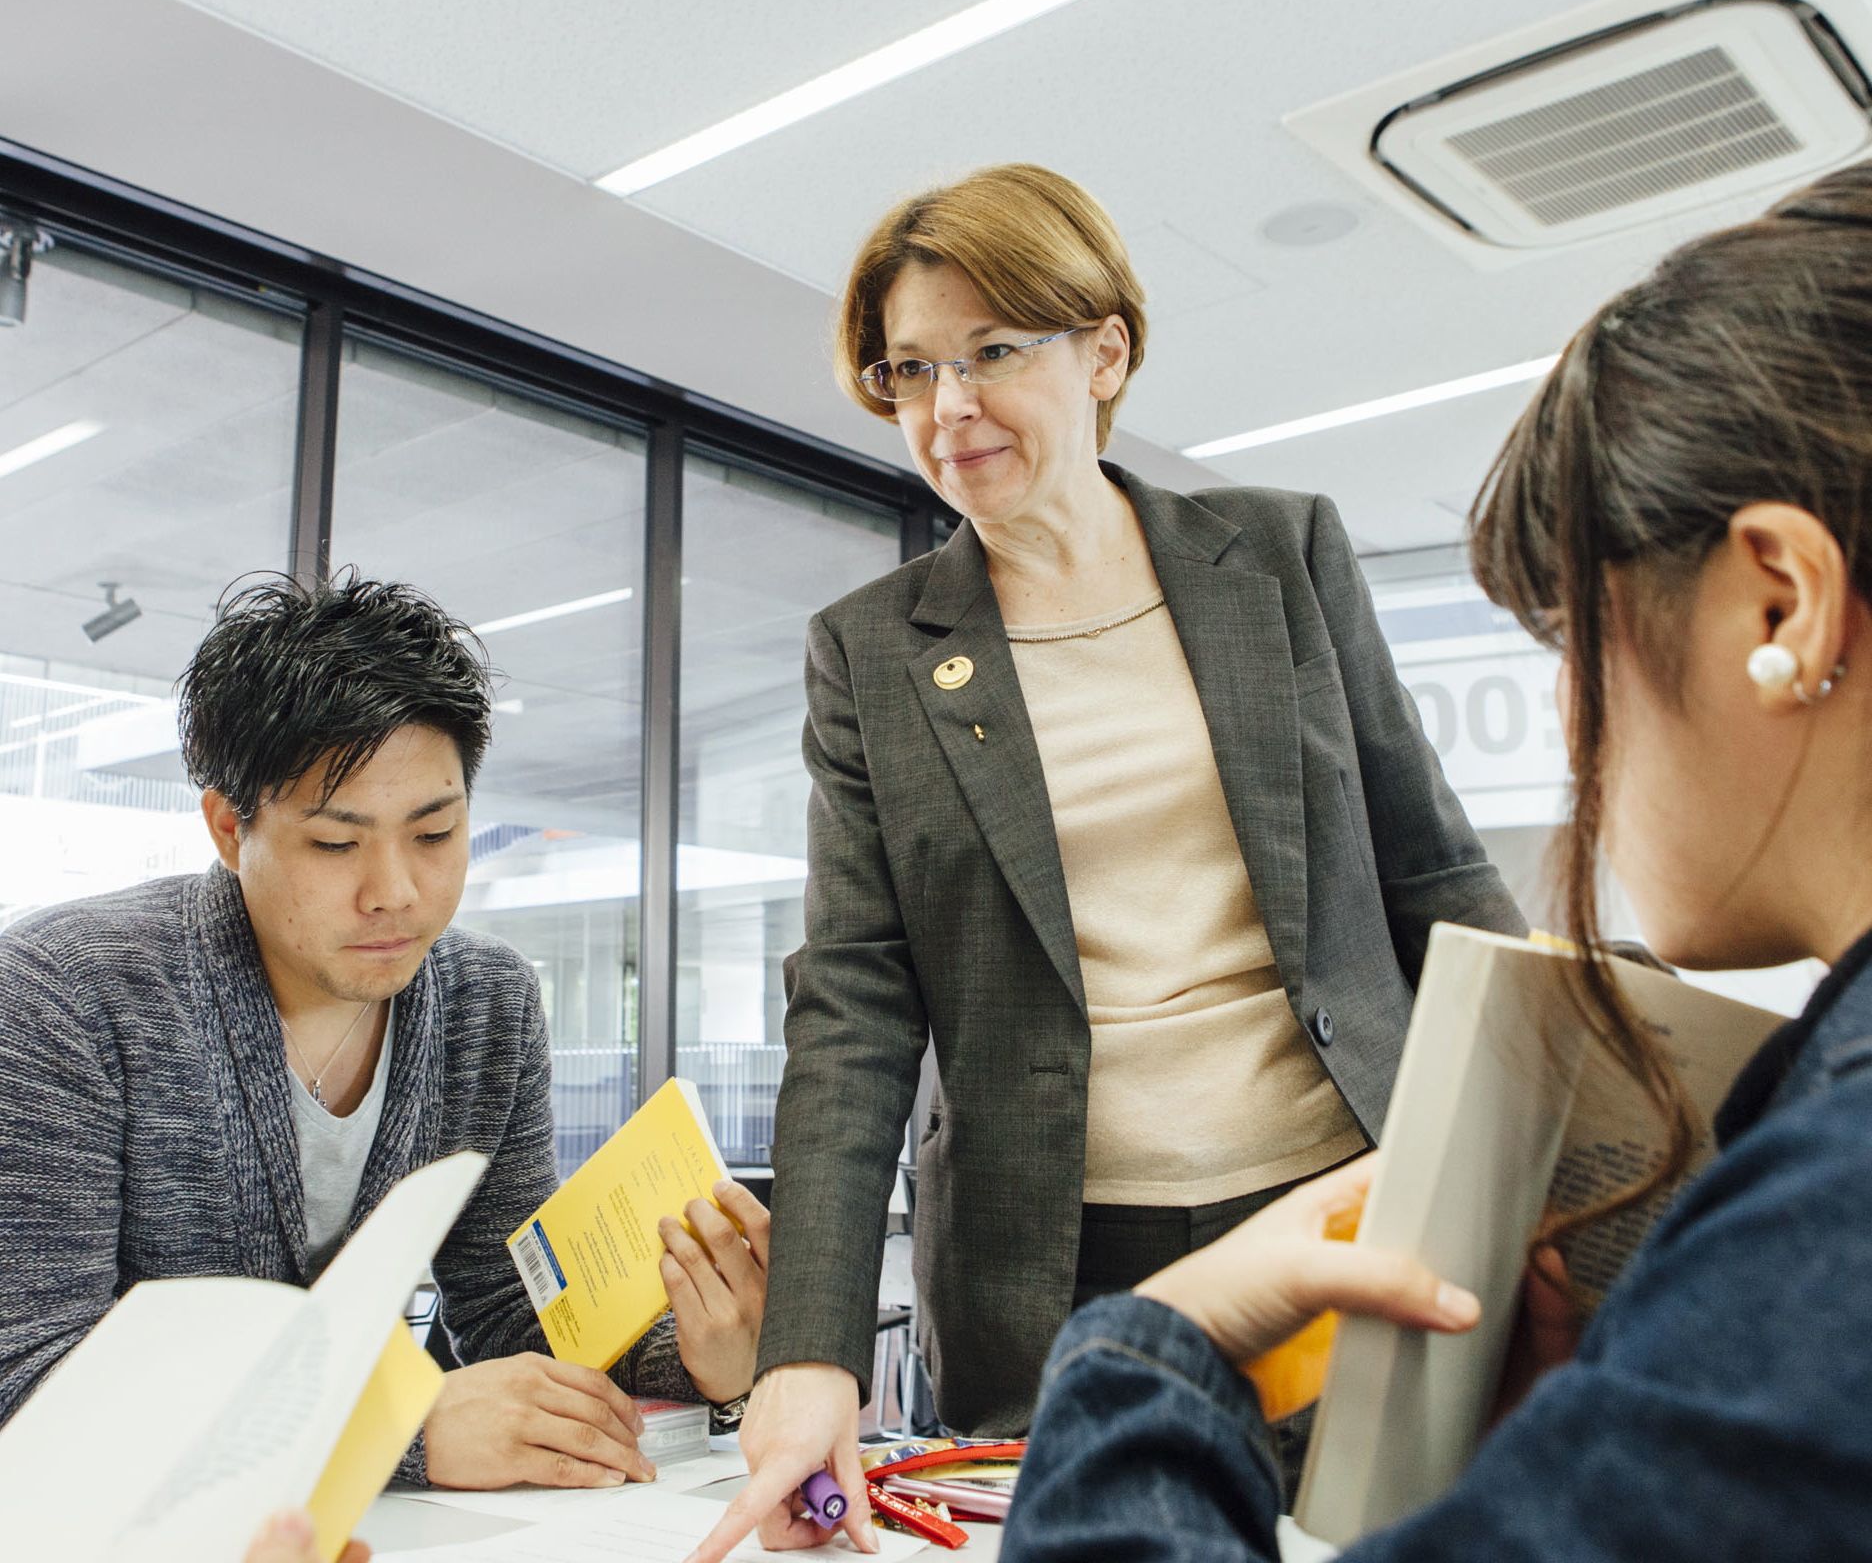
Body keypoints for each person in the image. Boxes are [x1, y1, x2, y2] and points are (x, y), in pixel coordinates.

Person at [996, 161, 1872, 1560]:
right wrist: (1601, 1434)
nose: (1575, 725)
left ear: (1782, 602)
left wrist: (1150, 1351)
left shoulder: (1836, 1209)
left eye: (1574, 646)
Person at [700, 164, 1523, 1557]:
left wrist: (1567, 1150)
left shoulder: (1280, 552)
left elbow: (1432, 876)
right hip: (1057, 1264)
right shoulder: (873, 650)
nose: (946, 408)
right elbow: (853, 1003)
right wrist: (810, 1354)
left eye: (991, 353)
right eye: (910, 371)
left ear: (1107, 351)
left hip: (1340, 1198)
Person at [0, 573, 769, 1489]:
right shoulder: (66, 996)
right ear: (224, 826)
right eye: (336, 843)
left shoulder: (488, 1004)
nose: (395, 893)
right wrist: (396, 1431)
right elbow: (32, 1378)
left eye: (436, 834)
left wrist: (704, 1353)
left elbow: (509, 1312)